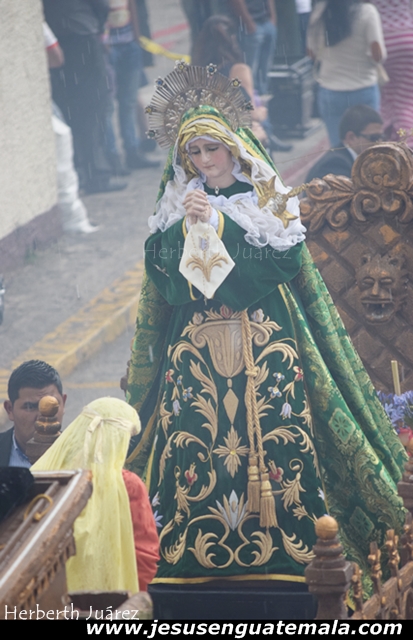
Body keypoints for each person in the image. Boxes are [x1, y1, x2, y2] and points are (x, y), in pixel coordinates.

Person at [125, 62, 406, 587]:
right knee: (194, 437)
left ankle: (293, 544)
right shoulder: (176, 201)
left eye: (212, 148)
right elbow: (163, 278)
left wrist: (218, 223)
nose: (204, 160)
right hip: (197, 348)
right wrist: (185, 228)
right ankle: (193, 546)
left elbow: (281, 260)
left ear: (233, 147)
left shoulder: (265, 195)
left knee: (282, 435)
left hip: (266, 337)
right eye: (193, 151)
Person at [32, 397, 159, 593]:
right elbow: (144, 556)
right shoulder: (128, 485)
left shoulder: (47, 471)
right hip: (111, 599)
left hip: (45, 595)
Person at [42, 0, 127, 194]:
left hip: (59, 39)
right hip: (82, 35)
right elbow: (102, 6)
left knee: (71, 111)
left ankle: (82, 171)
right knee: (94, 109)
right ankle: (97, 174)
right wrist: (97, 27)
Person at [191, 14, 292, 152]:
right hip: (241, 143)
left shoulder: (197, 74)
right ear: (233, 39)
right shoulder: (238, 70)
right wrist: (262, 112)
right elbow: (251, 114)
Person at [307, 0, 386, 148]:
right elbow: (377, 55)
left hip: (331, 89)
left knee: (338, 146)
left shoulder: (321, 11)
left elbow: (312, 52)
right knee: (369, 147)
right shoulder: (367, 12)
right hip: (363, 86)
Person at [104, 0, 160, 171]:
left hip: (129, 44)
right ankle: (112, 157)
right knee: (107, 106)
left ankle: (132, 152)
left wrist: (137, 38)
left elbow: (133, 7)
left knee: (128, 102)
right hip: (107, 48)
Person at [1, 360, 66, 468]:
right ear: (10, 410)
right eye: (30, 407)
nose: (43, 417)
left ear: (63, 403)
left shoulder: (84, 456)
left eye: (52, 406)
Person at [371, 1, 413, 146]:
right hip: (408, 38)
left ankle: (392, 136)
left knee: (386, 94)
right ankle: (407, 139)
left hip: (382, 40)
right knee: (406, 98)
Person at [306, 104, 384, 181]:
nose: (379, 143)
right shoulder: (336, 164)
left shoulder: (347, 159)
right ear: (351, 138)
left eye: (382, 137)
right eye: (374, 138)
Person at [229, 0, 277, 96]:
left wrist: (273, 18)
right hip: (249, 26)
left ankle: (262, 96)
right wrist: (248, 23)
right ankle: (251, 99)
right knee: (250, 69)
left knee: (265, 68)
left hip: (267, 22)